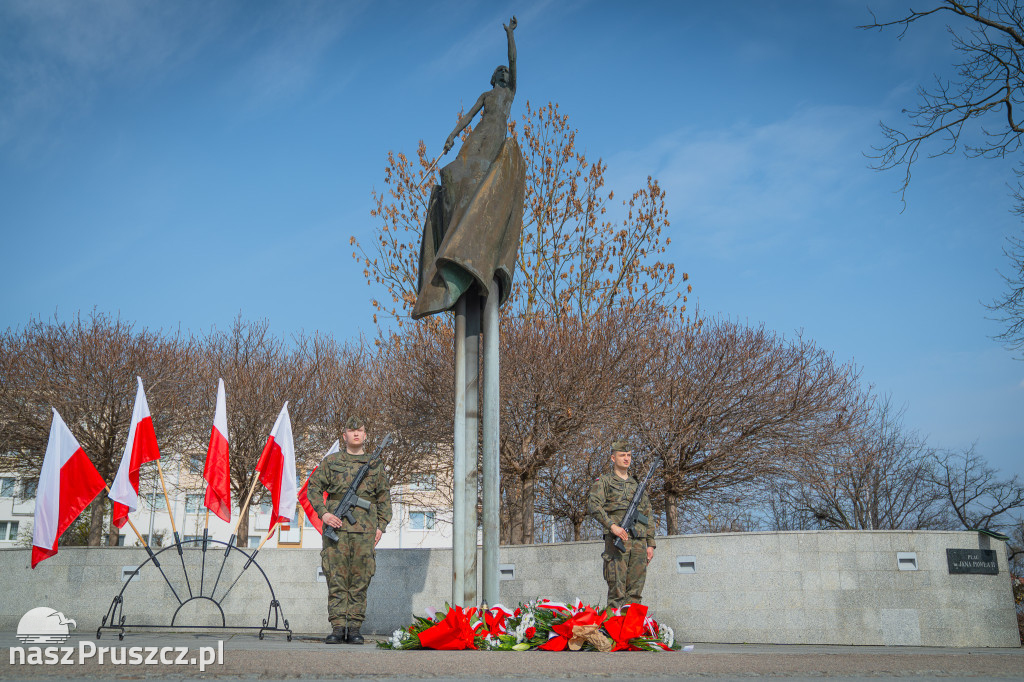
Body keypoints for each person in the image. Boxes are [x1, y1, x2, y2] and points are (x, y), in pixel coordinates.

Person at [413, 16, 525, 319]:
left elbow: (514, 60)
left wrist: (510, 35)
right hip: (478, 136)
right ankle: (457, 224)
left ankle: (474, 227)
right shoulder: (487, 95)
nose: (504, 72)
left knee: (483, 175)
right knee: (457, 171)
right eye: (500, 71)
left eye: (505, 71)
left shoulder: (509, 93)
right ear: (493, 77)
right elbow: (469, 118)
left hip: (495, 138)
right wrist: (452, 135)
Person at [307, 416, 392, 644]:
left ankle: (354, 628)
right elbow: (313, 488)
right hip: (337, 528)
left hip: (365, 531)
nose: (356, 433)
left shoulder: (374, 465)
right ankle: (337, 627)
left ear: (365, 435)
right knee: (336, 577)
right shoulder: (331, 461)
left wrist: (381, 526)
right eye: (351, 430)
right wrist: (324, 513)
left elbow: (384, 498)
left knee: (361, 578)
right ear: (344, 435)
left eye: (360, 430)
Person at [586, 440, 656, 610]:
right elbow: (593, 504)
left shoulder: (637, 484)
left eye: (629, 455)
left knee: (635, 594)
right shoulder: (604, 482)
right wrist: (612, 526)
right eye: (622, 455)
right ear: (613, 458)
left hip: (639, 544)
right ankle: (614, 635)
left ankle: (631, 635)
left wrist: (651, 544)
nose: (626, 458)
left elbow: (647, 513)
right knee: (617, 593)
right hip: (618, 544)